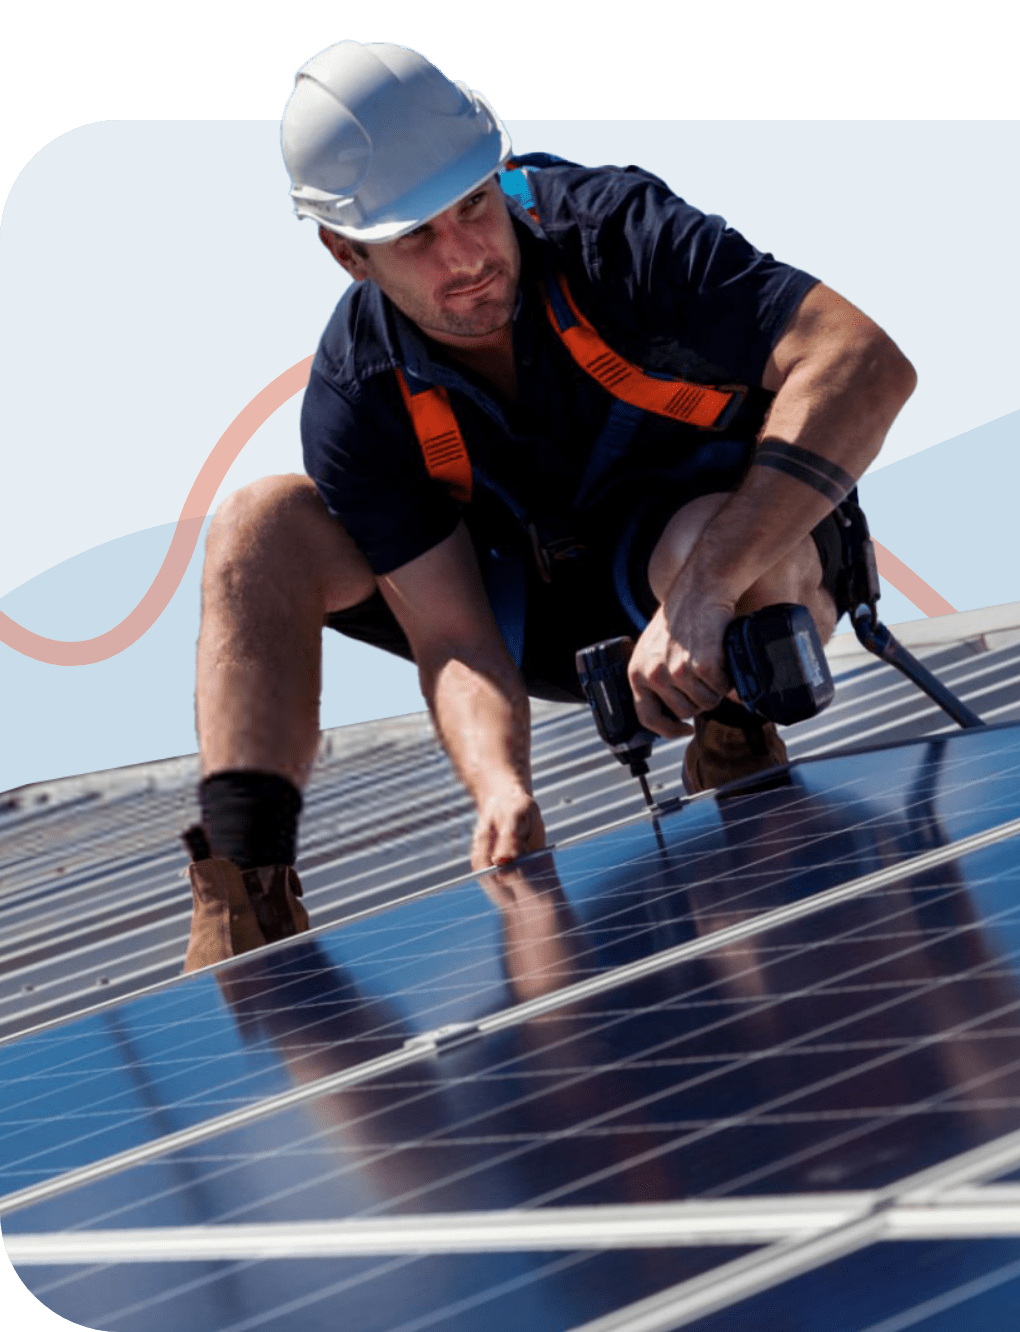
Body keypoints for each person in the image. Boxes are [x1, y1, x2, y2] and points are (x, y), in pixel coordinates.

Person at [181, 39, 917, 973]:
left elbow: (864, 362)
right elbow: (452, 639)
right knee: (259, 525)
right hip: (535, 613)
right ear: (346, 253)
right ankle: (249, 904)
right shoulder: (359, 393)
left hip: (730, 568)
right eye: (417, 237)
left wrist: (702, 592)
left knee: (701, 548)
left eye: (473, 208)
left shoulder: (617, 232)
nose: (467, 257)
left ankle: (734, 736)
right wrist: (497, 787)